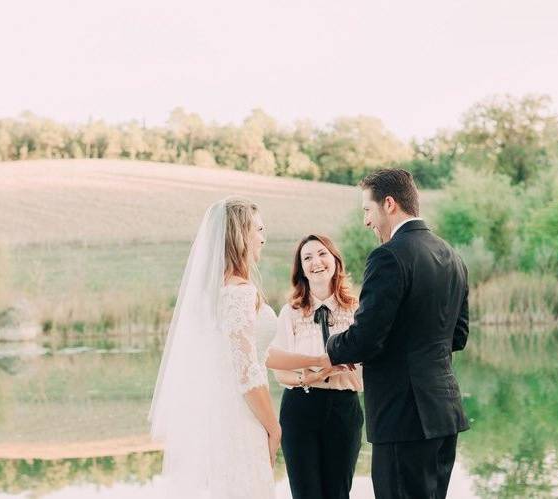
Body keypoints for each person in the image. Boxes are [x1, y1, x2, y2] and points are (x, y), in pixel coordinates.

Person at [151, 196, 323, 498]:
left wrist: (315, 359)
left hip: (219, 415)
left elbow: (256, 353)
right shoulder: (240, 293)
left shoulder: (214, 293)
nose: (263, 238)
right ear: (240, 234)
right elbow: (247, 372)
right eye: (258, 229)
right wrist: (274, 427)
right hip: (242, 418)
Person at [325, 169, 470, 499]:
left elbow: (366, 338)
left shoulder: (388, 256)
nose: (366, 221)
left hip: (402, 417)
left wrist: (334, 346)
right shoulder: (452, 257)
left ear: (388, 204)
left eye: (367, 210)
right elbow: (458, 336)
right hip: (444, 414)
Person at [266, 234, 364, 499]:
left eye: (322, 254)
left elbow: (370, 367)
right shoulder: (290, 313)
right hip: (299, 408)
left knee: (338, 493)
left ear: (335, 261)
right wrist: (310, 376)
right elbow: (277, 369)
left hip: (344, 410)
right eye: (307, 257)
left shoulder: (358, 310)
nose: (316, 262)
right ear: (301, 270)